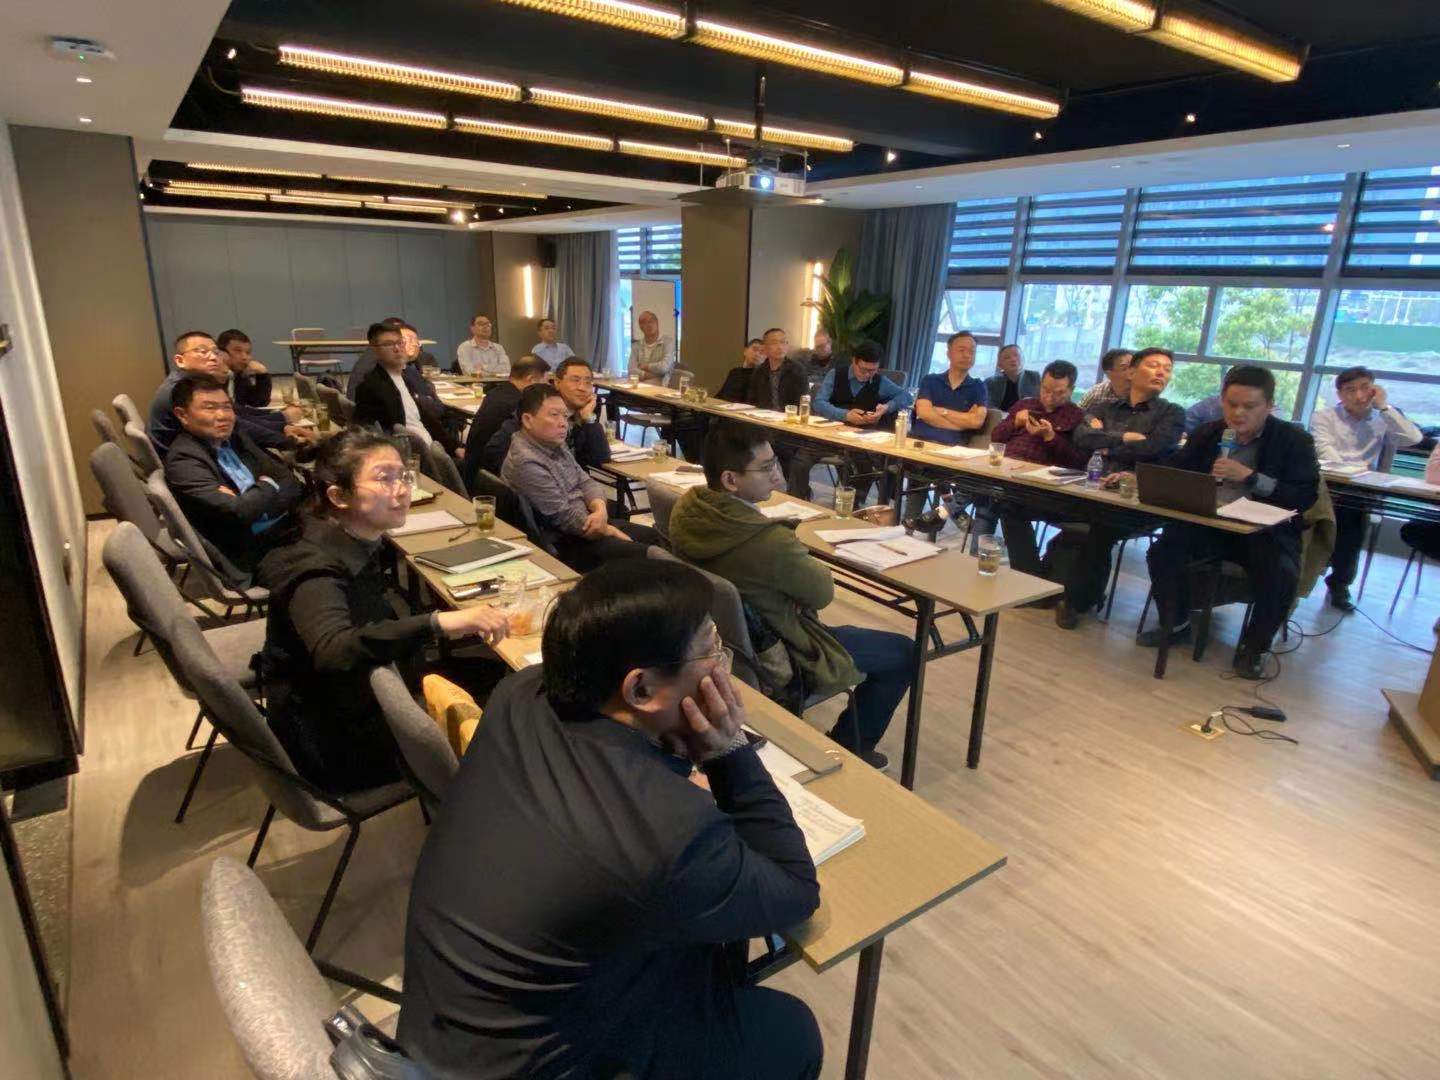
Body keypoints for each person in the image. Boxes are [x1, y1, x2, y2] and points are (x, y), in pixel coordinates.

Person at [398, 560, 822, 1080]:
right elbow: (795, 891)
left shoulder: (520, 694)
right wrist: (728, 750)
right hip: (543, 1065)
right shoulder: (670, 835)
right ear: (640, 689)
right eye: (711, 650)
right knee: (791, 1031)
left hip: (448, 1030)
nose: (722, 668)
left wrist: (667, 760)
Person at [257, 429, 509, 793]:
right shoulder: (313, 564)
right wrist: (437, 621)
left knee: (495, 680)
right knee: (506, 703)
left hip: (356, 699)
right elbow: (333, 649)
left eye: (403, 476)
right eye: (384, 478)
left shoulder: (348, 537)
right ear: (338, 496)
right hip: (333, 740)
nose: (402, 489)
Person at [669, 421, 911, 769]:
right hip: (784, 653)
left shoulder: (688, 510)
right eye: (766, 467)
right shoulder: (769, 542)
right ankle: (852, 746)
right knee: (903, 652)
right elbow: (821, 593)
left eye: (775, 462)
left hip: (728, 646)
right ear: (731, 480)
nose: (777, 473)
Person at [1141, 365, 1320, 678]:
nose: (1238, 413)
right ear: (1221, 401)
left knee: (1281, 572)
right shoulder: (1209, 433)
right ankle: (1177, 622)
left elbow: (1303, 496)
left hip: (1262, 531)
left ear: (1269, 405)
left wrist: (1251, 477)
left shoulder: (1294, 440)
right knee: (1163, 551)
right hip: (1210, 523)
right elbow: (1176, 468)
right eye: (1231, 404)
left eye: (1249, 406)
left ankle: (1254, 647)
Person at [1052, 347, 1184, 629]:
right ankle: (1039, 582)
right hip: (1089, 489)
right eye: (1153, 365)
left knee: (1101, 529)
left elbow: (1155, 448)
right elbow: (1082, 437)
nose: (1161, 372)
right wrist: (1125, 437)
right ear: (1131, 372)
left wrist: (1107, 447)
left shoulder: (1171, 413)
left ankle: (1075, 600)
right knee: (1016, 503)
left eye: (1167, 369)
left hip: (1134, 499)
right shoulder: (1103, 408)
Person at [500, 384, 657, 570]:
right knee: (650, 555)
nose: (563, 423)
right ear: (527, 420)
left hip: (589, 521)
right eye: (554, 415)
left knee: (656, 537)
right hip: (567, 541)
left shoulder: (553, 443)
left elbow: (586, 482)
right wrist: (608, 529)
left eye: (564, 416)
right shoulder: (526, 461)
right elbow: (564, 517)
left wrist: (600, 511)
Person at [162, 375, 304, 575]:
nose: (222, 416)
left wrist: (259, 499)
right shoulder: (184, 461)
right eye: (210, 408)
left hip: (284, 526)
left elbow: (289, 481)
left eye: (227, 407)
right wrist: (269, 484)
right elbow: (240, 511)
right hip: (252, 553)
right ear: (182, 415)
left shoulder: (235, 438)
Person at [1310, 366, 1423, 610]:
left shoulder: (1386, 418)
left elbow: (1414, 439)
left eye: (1365, 388)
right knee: (1344, 507)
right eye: (1350, 390)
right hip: (1330, 483)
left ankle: (1336, 577)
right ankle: (1331, 572)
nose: (1359, 396)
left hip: (1364, 490)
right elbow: (1324, 450)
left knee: (1352, 509)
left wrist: (1384, 407)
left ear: (1375, 390)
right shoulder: (1325, 416)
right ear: (1340, 394)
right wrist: (1350, 474)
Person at [991, 360, 1087, 576]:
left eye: (1058, 392)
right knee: (986, 491)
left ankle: (1028, 575)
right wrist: (1015, 422)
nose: (1049, 397)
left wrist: (1050, 437)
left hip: (1043, 485)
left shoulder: (1076, 417)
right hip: (1006, 471)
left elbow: (1078, 462)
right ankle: (1030, 575)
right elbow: (995, 437)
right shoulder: (1025, 405)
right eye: (1045, 389)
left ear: (1071, 390)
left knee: (1006, 504)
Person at [148, 330, 310, 454]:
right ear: (180, 360)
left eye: (215, 352)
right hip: (189, 462)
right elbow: (235, 426)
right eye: (202, 351)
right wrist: (286, 436)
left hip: (201, 449)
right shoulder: (181, 390)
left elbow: (237, 413)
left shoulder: (196, 382)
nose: (213, 357)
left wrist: (281, 426)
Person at [790, 340, 912, 502]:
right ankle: (798, 501)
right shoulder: (836, 375)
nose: (868, 374)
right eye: (864, 369)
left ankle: (852, 505)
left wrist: (886, 407)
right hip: (829, 434)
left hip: (860, 440)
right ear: (854, 361)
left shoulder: (879, 381)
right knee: (800, 463)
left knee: (864, 469)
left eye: (873, 370)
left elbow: (906, 397)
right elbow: (819, 403)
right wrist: (845, 415)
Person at [482, 356, 611, 474]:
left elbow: (600, 458)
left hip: (572, 481)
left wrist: (589, 418)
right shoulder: (537, 406)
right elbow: (495, 450)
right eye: (575, 380)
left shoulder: (586, 410)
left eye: (588, 382)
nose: (582, 388)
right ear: (557, 383)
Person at [352, 322, 462, 456]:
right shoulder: (371, 387)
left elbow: (425, 418)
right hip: (414, 458)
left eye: (400, 342)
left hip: (432, 450)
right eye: (388, 344)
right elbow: (371, 435)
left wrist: (454, 447)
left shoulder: (403, 378)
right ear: (375, 350)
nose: (397, 348)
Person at [460, 354, 549, 491]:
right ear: (531, 379)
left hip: (473, 471)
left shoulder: (496, 392)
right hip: (491, 483)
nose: (547, 388)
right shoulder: (518, 405)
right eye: (545, 382)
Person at [911, 331, 989, 445]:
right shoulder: (930, 380)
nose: (967, 355)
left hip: (955, 448)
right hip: (919, 442)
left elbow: (976, 421)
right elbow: (924, 413)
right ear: (949, 354)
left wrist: (942, 411)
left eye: (972, 352)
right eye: (961, 350)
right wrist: (962, 423)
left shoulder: (978, 386)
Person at [346, 317, 442, 404]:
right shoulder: (377, 368)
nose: (413, 345)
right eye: (406, 339)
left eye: (415, 341)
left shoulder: (403, 367)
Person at [747, 327, 808, 412]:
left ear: (787, 345)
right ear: (765, 348)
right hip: (762, 416)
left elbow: (801, 403)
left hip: (789, 417)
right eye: (774, 343)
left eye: (783, 342)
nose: (780, 347)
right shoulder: (759, 371)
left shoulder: (797, 370)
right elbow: (752, 401)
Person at [215, 329, 274, 411]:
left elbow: (258, 403)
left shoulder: (239, 375)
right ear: (221, 352)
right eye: (238, 351)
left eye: (248, 352)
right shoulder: (212, 378)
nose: (244, 357)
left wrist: (262, 375)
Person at [984, 343, 1040, 413]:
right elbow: (988, 407)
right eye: (1007, 357)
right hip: (1000, 418)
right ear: (999, 364)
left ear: (1023, 359)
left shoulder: (1035, 377)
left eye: (1016, 355)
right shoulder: (990, 383)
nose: (1013, 359)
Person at [627, 309, 674, 384]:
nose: (649, 325)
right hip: (638, 385)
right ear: (641, 327)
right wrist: (652, 375)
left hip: (659, 386)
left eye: (651, 321)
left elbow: (664, 367)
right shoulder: (636, 346)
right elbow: (631, 370)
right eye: (644, 322)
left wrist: (646, 366)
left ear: (657, 323)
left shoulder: (667, 342)